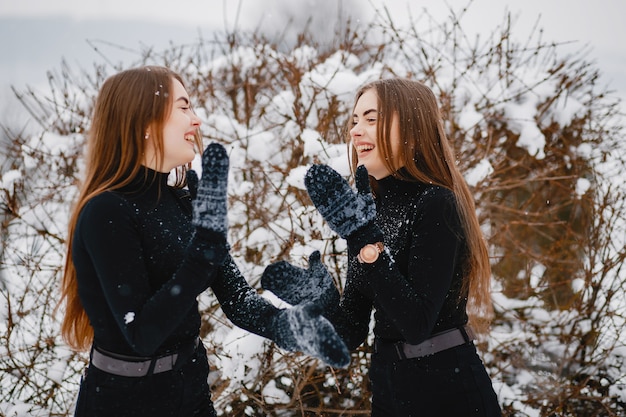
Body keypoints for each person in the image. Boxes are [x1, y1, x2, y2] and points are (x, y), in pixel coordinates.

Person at [58, 65, 349, 417]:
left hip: (190, 394)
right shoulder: (107, 211)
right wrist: (203, 251)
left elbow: (236, 297)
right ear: (144, 120)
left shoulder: (182, 200)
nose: (196, 121)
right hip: (125, 403)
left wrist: (284, 325)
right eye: (183, 107)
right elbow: (142, 333)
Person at [262, 78, 502, 416]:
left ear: (411, 127)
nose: (356, 131)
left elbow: (417, 324)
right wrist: (323, 302)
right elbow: (352, 329)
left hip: (447, 390)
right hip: (391, 388)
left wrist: (363, 240)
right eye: (355, 121)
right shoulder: (368, 208)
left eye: (371, 120)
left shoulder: (435, 203)